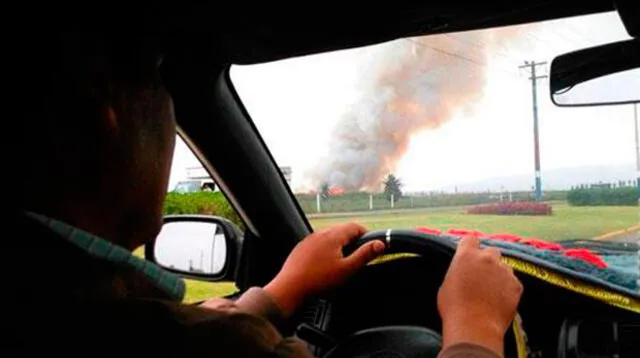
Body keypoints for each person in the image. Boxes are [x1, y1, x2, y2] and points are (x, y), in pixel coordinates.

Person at [10, 28, 522, 357]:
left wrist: (279, 293)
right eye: (163, 90)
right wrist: (474, 326)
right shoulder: (212, 347)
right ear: (105, 111)